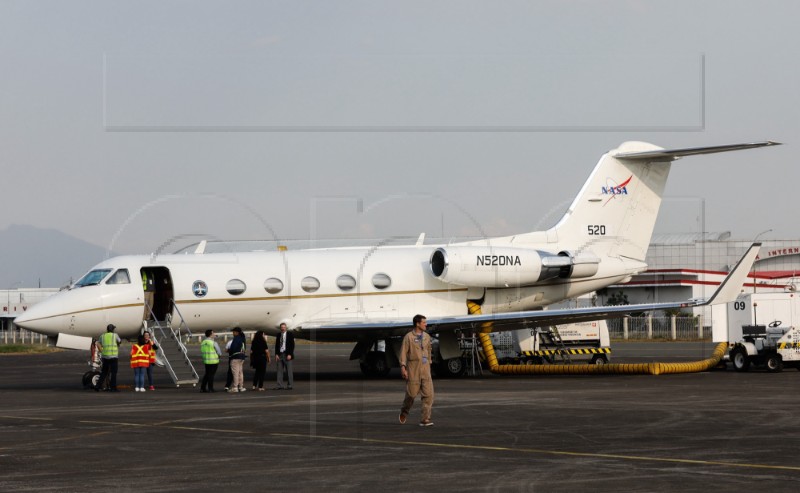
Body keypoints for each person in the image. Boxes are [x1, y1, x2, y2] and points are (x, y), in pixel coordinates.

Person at [399, 314, 435, 427]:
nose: (426, 324)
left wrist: (429, 363)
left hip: (425, 370)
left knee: (429, 395)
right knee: (411, 395)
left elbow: (429, 350)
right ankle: (404, 411)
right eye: (424, 322)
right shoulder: (408, 337)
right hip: (413, 369)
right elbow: (403, 353)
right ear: (417, 324)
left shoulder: (427, 337)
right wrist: (403, 367)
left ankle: (425, 419)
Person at [96, 324, 121, 392]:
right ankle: (113, 387)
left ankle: (98, 386)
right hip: (113, 356)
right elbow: (119, 341)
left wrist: (102, 351)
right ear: (112, 329)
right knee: (113, 373)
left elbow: (98, 343)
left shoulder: (103, 336)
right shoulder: (115, 335)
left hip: (105, 356)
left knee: (104, 372)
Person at [274, 322, 295, 390]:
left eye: (284, 327)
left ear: (286, 328)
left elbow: (292, 345)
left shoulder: (290, 334)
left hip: (287, 354)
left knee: (289, 371)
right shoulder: (278, 335)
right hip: (280, 354)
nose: (283, 328)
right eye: (282, 327)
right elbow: (276, 345)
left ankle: (290, 385)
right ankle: (279, 385)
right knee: (279, 371)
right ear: (280, 328)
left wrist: (290, 354)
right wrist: (276, 354)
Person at [228, 327, 247, 393]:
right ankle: (241, 386)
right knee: (240, 372)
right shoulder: (243, 338)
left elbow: (233, 348)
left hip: (235, 357)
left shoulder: (236, 338)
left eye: (233, 332)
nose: (233, 333)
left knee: (235, 373)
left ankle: (235, 387)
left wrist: (229, 351)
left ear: (237, 332)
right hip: (242, 356)